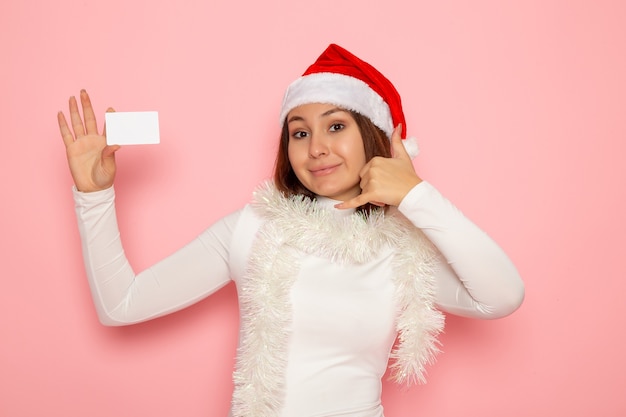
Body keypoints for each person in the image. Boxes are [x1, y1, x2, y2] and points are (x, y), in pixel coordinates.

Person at [57, 44, 525, 417]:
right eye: (299, 132)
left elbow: (502, 295)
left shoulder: (402, 249)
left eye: (336, 126)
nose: (316, 148)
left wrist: (416, 195)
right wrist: (94, 197)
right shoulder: (252, 227)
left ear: (376, 138)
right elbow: (121, 305)